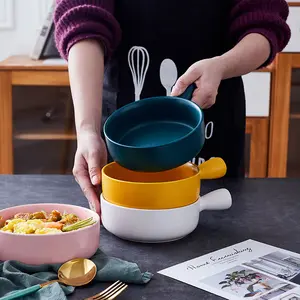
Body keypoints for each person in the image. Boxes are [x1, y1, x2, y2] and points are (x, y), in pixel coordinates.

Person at [54, 0, 291, 212]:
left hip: (214, 120)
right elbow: (81, 21)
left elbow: (265, 23)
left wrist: (222, 65)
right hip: (122, 126)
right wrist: (87, 130)